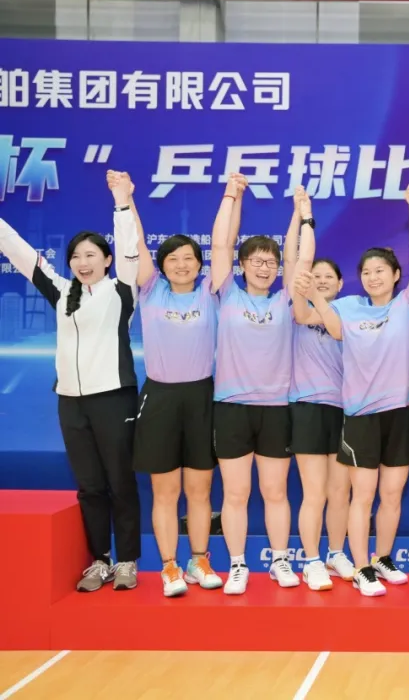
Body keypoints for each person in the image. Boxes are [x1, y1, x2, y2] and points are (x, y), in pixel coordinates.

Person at [0, 172, 141, 592]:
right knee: (90, 486)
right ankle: (100, 560)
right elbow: (19, 252)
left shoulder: (121, 291)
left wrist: (121, 202)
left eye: (91, 254)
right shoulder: (62, 293)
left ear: (107, 260)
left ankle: (128, 560)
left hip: (113, 398)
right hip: (71, 402)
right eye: (76, 256)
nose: (83, 261)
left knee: (120, 482)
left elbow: (130, 248)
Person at [298, 183, 409, 597]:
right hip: (360, 416)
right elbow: (327, 326)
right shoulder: (347, 308)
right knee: (363, 495)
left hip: (400, 413)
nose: (373, 277)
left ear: (395, 276)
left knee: (392, 493)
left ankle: (382, 557)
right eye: (367, 272)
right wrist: (315, 294)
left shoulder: (407, 305)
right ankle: (360, 567)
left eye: (380, 271)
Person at [116, 170, 222, 597]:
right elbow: (138, 243)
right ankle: (169, 567)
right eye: (173, 258)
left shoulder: (210, 293)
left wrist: (231, 196)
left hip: (201, 397)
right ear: (162, 266)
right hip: (159, 398)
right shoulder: (150, 291)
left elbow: (225, 242)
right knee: (166, 490)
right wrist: (127, 198)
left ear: (199, 264)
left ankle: (199, 560)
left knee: (200, 489)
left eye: (189, 258)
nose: (181, 264)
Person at [209, 173, 300, 596]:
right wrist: (233, 196)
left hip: (276, 408)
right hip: (231, 407)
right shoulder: (227, 294)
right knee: (236, 491)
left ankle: (280, 560)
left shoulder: (286, 299)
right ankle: (238, 564)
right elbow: (222, 244)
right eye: (256, 262)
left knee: (275, 490)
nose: (264, 268)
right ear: (242, 266)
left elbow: (297, 255)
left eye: (271, 263)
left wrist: (300, 215)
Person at [287, 186, 355, 591]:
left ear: (341, 284)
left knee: (340, 491)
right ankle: (311, 559)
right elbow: (298, 263)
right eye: (316, 276)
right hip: (309, 407)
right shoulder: (299, 308)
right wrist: (304, 217)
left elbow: (338, 329)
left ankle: (336, 552)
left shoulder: (350, 312)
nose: (322, 281)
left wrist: (318, 294)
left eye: (329, 277)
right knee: (314, 492)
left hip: (344, 409)